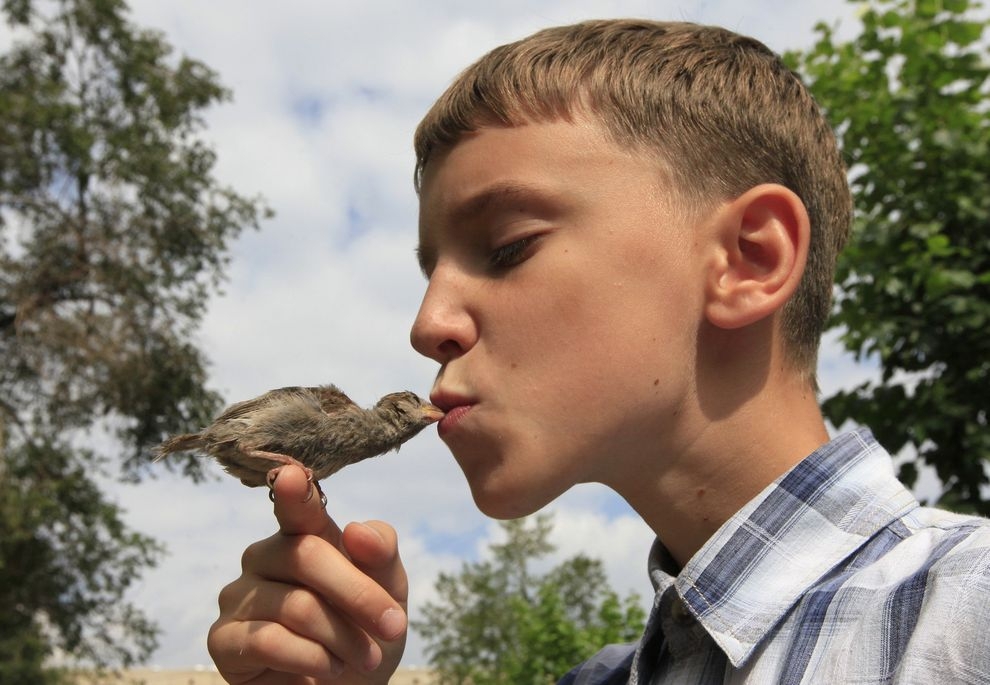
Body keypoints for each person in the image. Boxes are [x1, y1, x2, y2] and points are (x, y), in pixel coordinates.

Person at [206, 19, 990, 684]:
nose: (427, 323)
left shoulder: (966, 617)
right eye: (430, 271)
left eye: (508, 246)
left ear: (749, 259)